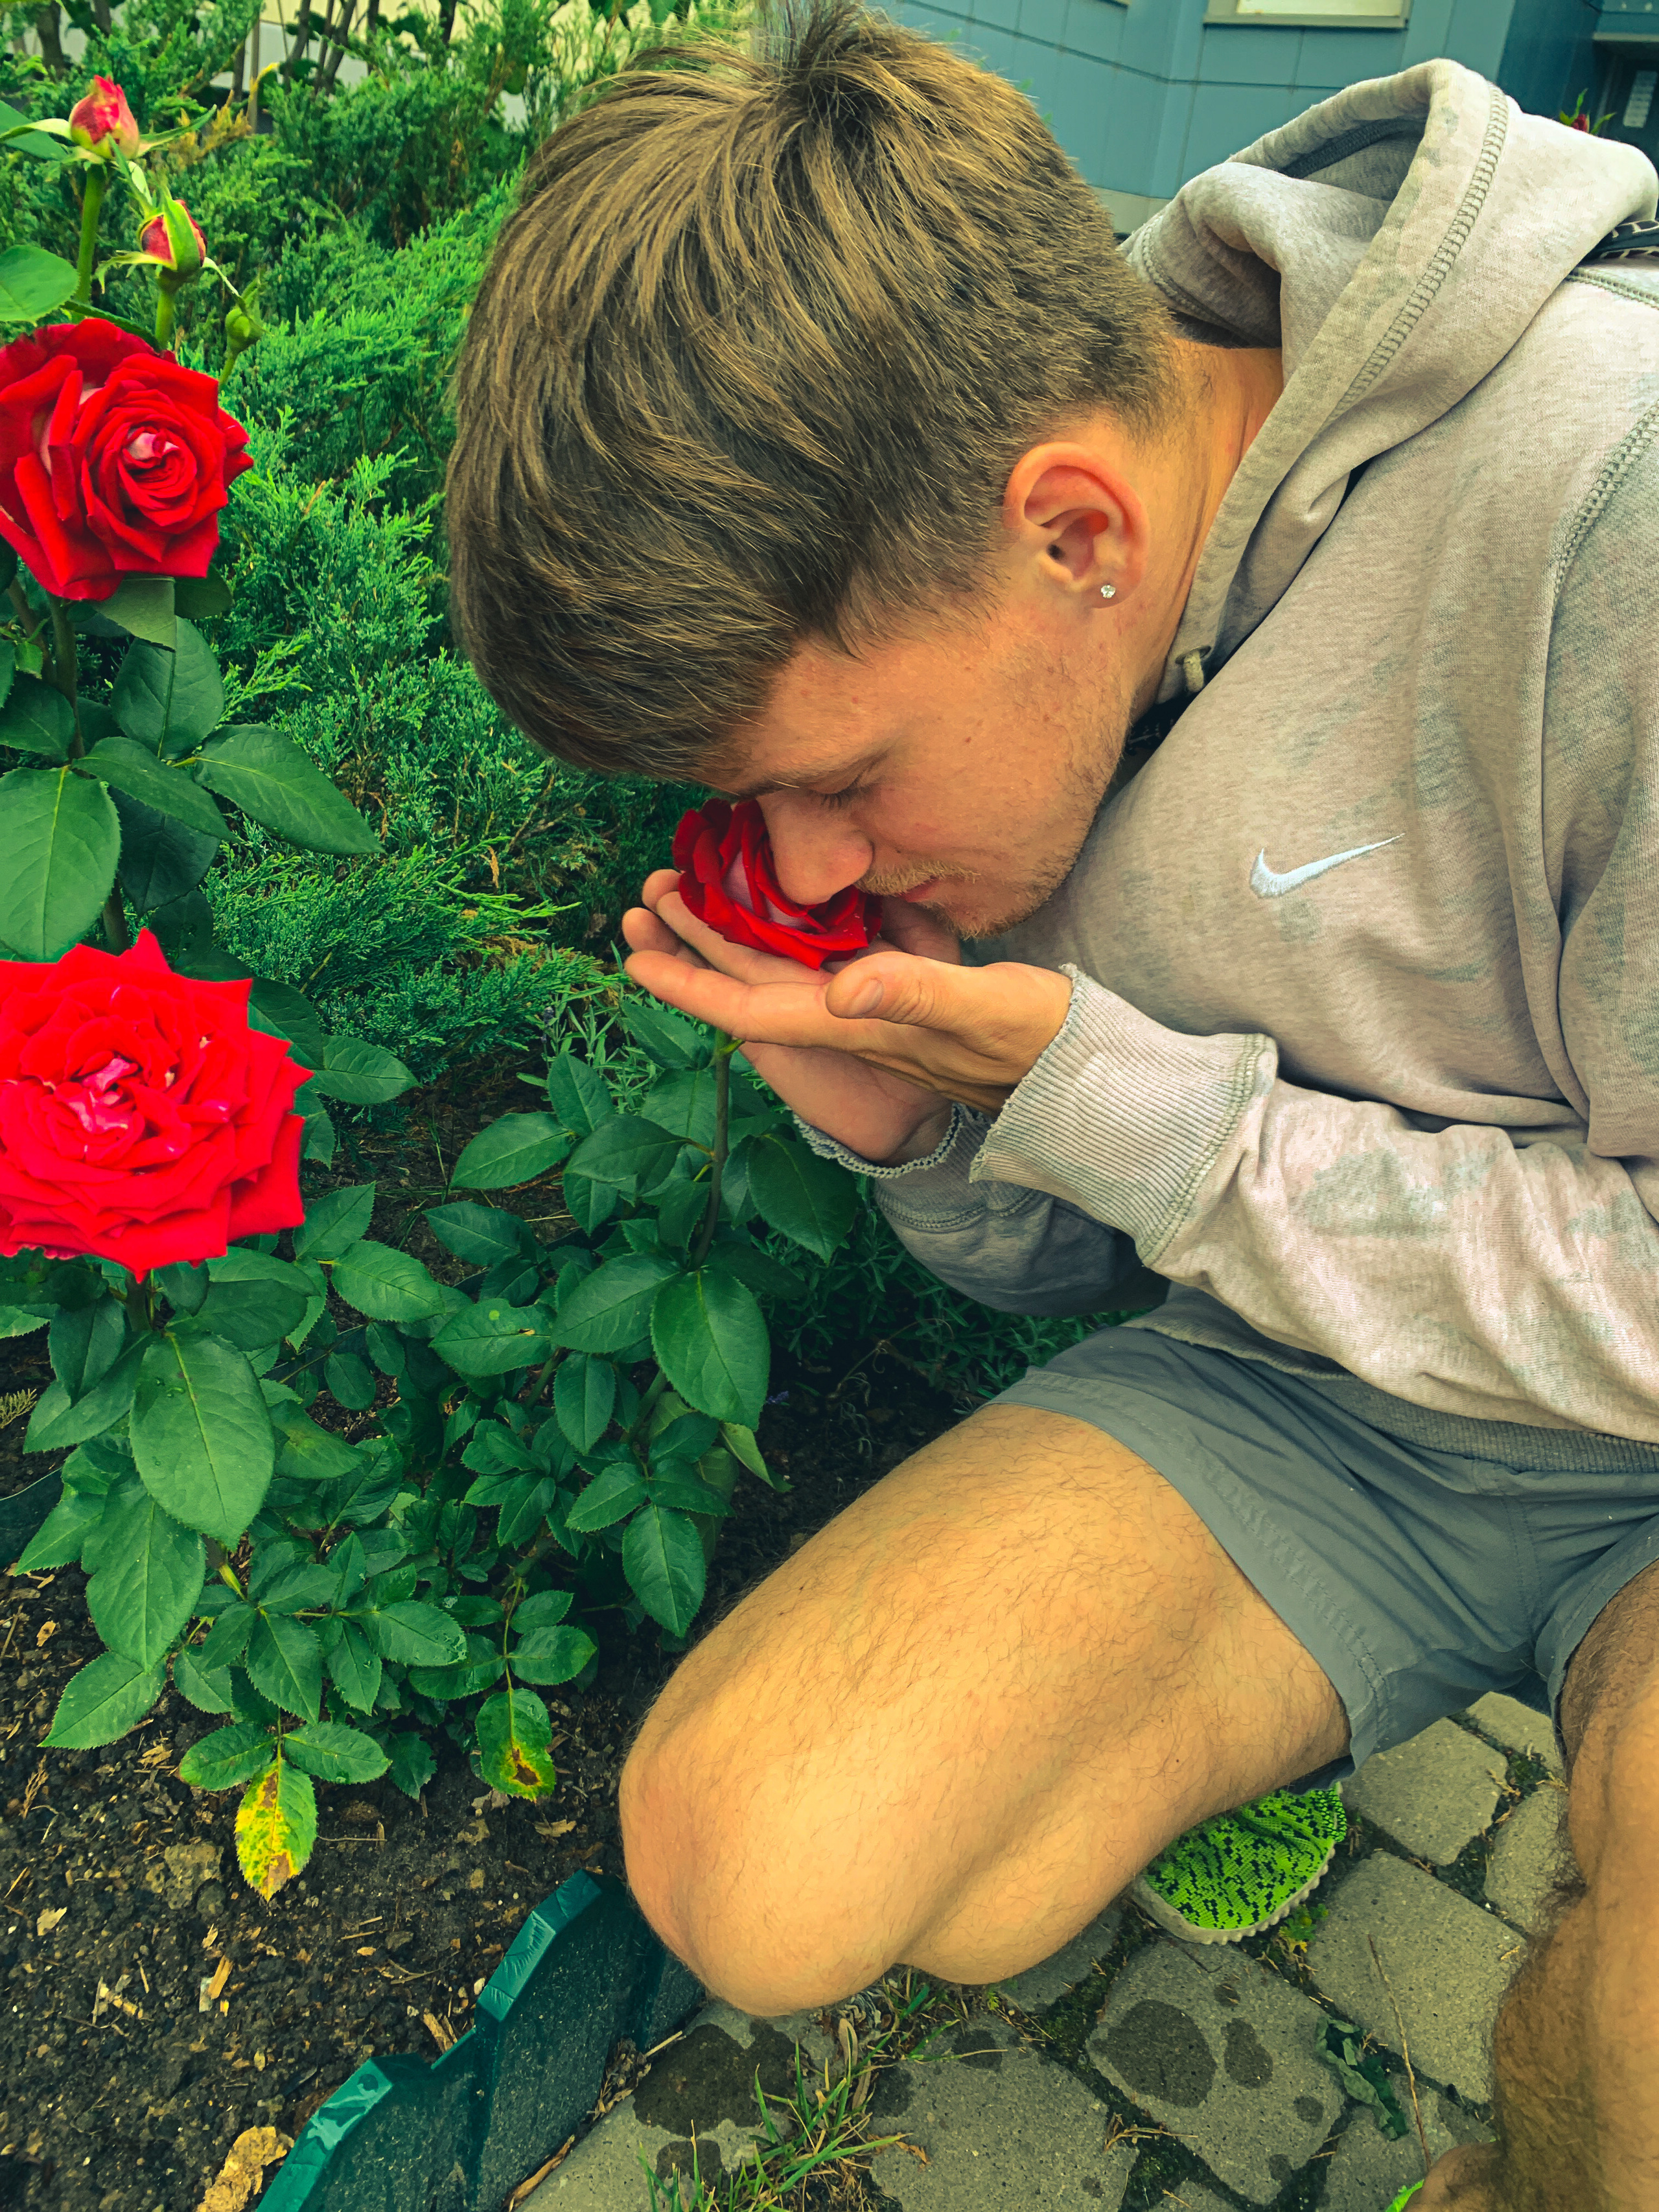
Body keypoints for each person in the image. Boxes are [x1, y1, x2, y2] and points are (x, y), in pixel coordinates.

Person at [444, 8, 1659, 2204]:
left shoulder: (1616, 507)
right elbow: (1094, 1260)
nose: (804, 865)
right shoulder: (1036, 667)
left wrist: (1146, 1115)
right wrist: (908, 1122)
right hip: (1331, 1401)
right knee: (758, 1863)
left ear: (1074, 533)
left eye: (833, 779)